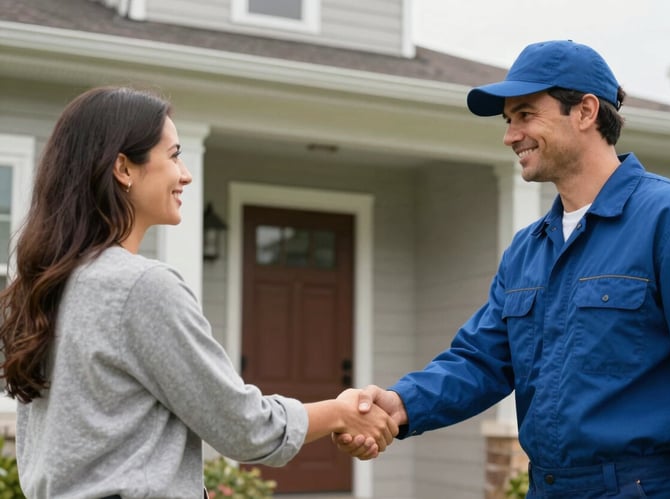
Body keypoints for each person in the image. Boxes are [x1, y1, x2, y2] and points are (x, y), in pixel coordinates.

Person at [336, 40, 670, 497]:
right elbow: (481, 361)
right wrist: (400, 404)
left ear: (584, 111)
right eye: (508, 121)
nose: (510, 135)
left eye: (525, 115)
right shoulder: (528, 249)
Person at [0, 86, 397, 499]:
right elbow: (245, 428)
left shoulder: (43, 287)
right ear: (123, 168)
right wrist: (341, 412)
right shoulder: (141, 287)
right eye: (173, 155)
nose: (185, 174)